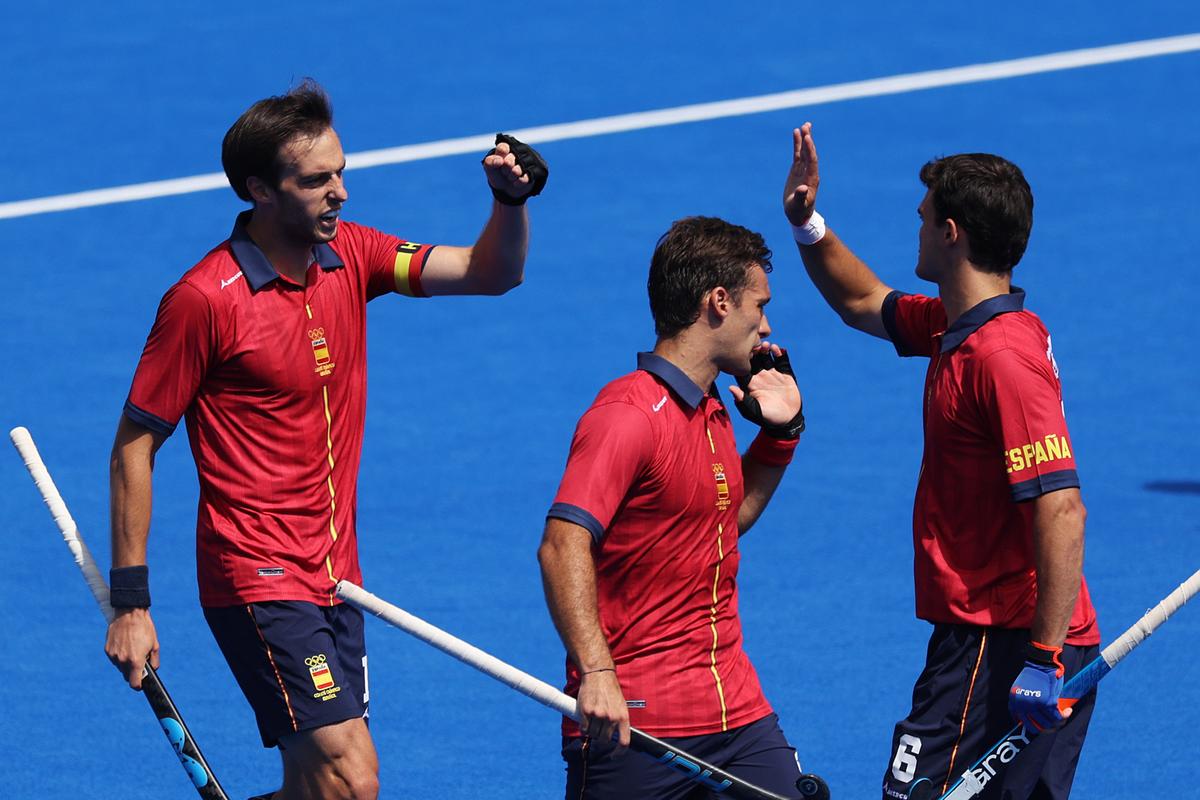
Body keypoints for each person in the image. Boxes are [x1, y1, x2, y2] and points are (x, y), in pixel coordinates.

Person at [103, 79, 547, 800]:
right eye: (315, 180)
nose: (339, 191)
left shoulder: (353, 256)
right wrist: (132, 602)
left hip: (338, 576)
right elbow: (134, 445)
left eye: (341, 171)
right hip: (259, 577)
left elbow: (491, 272)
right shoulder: (203, 301)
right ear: (260, 190)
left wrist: (509, 203)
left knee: (318, 791)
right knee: (352, 780)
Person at [782, 122, 1099, 800]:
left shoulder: (1001, 361)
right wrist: (808, 223)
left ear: (952, 232)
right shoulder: (963, 329)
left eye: (924, 218)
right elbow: (862, 301)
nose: (917, 228)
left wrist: (1044, 658)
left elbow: (1060, 506)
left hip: (1007, 644)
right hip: (1000, 637)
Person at [538, 216, 809, 799]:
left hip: (737, 712)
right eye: (758, 306)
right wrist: (598, 672)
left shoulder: (711, 409)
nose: (766, 325)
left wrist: (780, 437)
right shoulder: (626, 415)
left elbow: (719, 524)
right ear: (718, 302)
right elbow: (562, 544)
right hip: (638, 722)